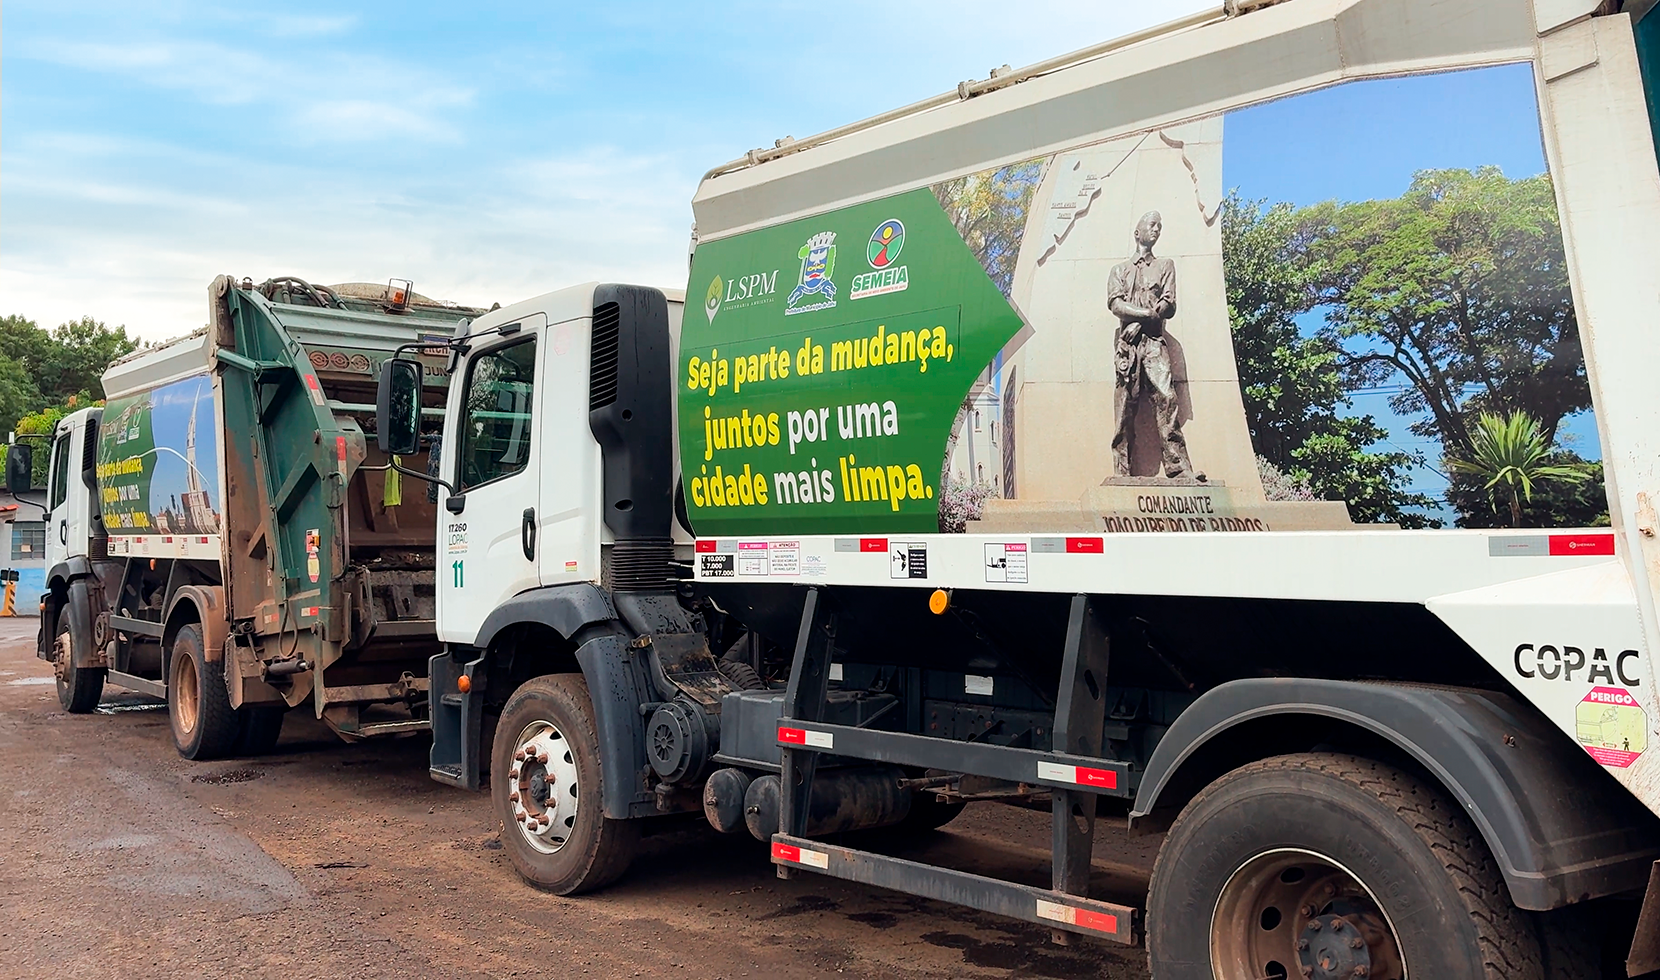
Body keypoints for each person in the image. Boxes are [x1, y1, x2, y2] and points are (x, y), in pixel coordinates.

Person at [1107, 210, 1195, 479]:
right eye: (1152, 224)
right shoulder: (1119, 270)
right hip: (1128, 347)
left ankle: (1178, 468)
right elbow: (1115, 303)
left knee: (1167, 398)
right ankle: (1122, 471)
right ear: (1137, 232)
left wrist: (1142, 322)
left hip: (1155, 343)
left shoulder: (1165, 265)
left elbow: (1169, 304)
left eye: (1160, 225)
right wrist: (1145, 315)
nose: (1157, 229)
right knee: (1125, 406)